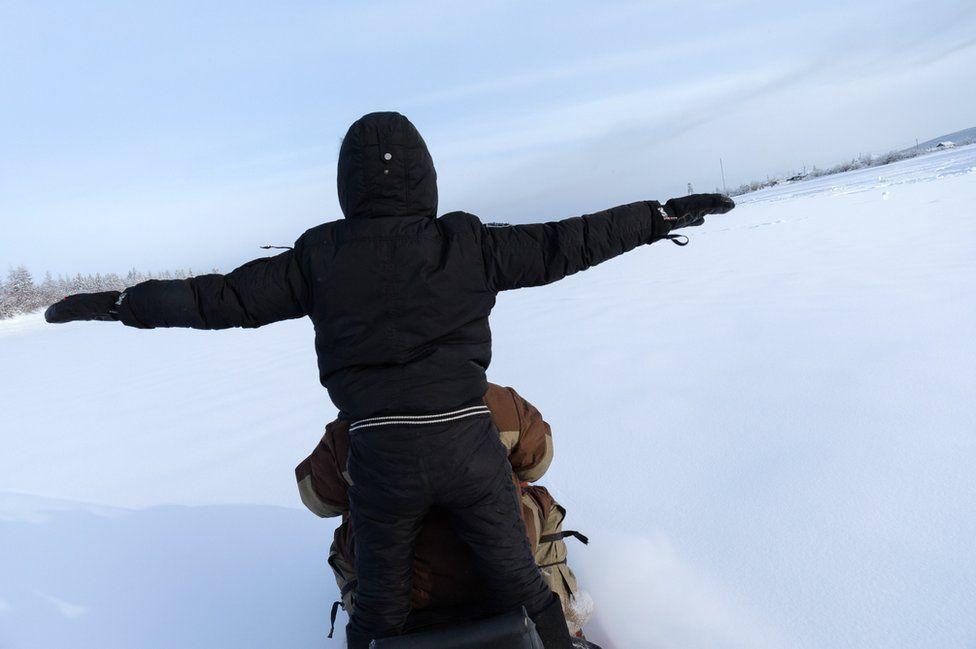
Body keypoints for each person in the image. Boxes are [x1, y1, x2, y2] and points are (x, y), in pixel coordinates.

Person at [45, 111, 735, 648]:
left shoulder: (319, 254)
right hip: (467, 443)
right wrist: (657, 217)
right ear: (425, 177)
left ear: (349, 185)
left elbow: (217, 299)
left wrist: (122, 305)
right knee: (524, 586)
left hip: (380, 455)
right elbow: (565, 241)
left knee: (380, 611)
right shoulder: (465, 240)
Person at [296, 382, 593, 641]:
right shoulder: (497, 402)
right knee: (539, 503)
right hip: (503, 574)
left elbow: (317, 500)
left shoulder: (351, 428)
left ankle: (369, 624)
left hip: (404, 595)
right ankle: (562, 618)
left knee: (347, 533)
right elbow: (538, 462)